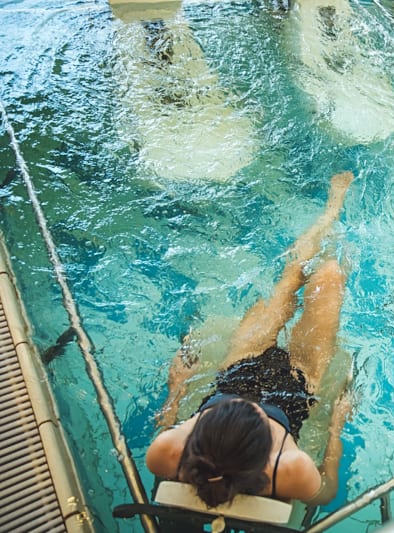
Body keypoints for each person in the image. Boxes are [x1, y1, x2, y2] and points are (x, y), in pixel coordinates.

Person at [146, 171, 355, 507]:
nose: (253, 402)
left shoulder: (166, 452)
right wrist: (335, 427)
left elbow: (163, 431)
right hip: (295, 392)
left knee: (288, 281)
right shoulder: (290, 470)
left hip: (235, 372)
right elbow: (326, 491)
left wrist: (176, 390)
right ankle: (333, 217)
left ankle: (330, 212)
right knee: (330, 277)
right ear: (265, 455)